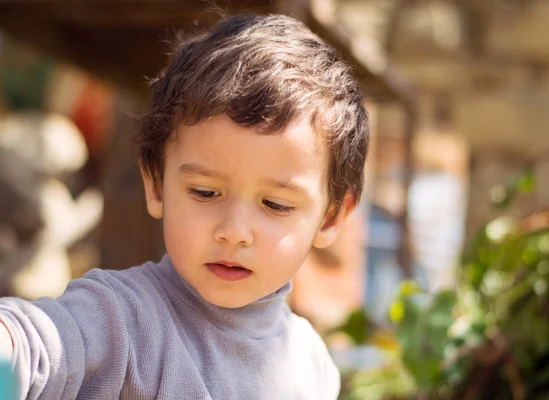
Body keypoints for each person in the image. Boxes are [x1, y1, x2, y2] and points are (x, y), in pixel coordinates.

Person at [0, 13, 369, 399]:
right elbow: (32, 349)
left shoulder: (314, 363)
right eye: (206, 193)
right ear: (157, 185)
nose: (234, 231)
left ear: (330, 218)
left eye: (275, 204)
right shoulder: (121, 321)